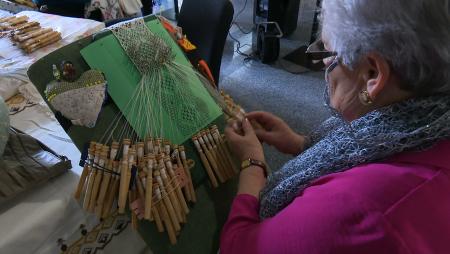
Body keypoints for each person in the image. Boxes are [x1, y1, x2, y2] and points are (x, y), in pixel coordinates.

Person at [220, 0, 450, 253]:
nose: (321, 67)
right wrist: (301, 144)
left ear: (373, 75)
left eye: (328, 55)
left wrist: (252, 164)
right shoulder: (431, 123)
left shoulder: (358, 207)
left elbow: (240, 245)